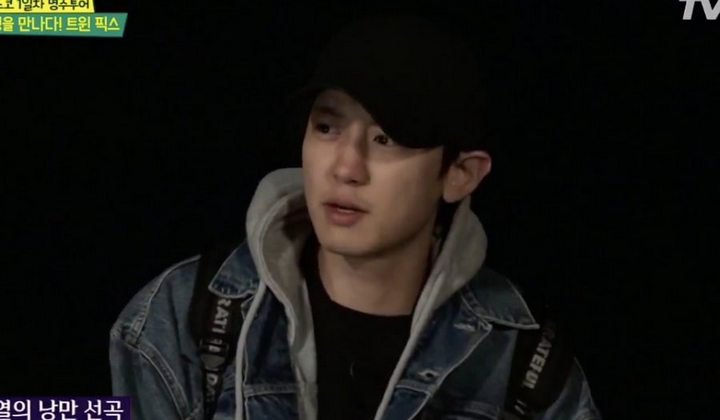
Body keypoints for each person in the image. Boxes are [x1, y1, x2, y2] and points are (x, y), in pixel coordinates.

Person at [109, 15, 601, 420]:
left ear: (461, 174)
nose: (345, 167)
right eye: (327, 127)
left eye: (385, 138)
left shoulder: (525, 366)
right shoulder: (181, 318)